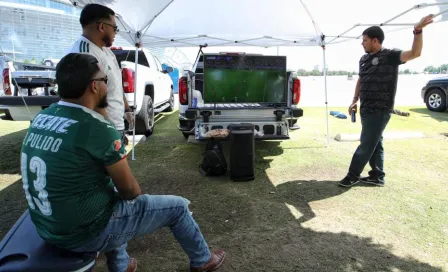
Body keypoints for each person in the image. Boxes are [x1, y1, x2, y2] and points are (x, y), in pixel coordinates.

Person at [20, 53, 226, 272]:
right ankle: (203, 260)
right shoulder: (95, 128)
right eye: (105, 81)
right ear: (94, 86)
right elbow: (131, 192)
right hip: (82, 234)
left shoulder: (44, 117)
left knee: (109, 198)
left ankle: (121, 264)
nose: (108, 88)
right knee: (176, 207)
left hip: (47, 225)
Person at [338, 14, 434, 188]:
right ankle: (377, 176)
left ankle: (352, 175)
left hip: (380, 109)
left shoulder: (391, 55)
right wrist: (354, 100)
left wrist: (417, 30)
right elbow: (362, 79)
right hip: (366, 108)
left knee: (366, 143)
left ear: (375, 41)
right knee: (376, 142)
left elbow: (415, 53)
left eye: (365, 40)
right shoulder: (363, 59)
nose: (362, 43)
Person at [67, 3, 133, 145]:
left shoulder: (106, 51)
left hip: (115, 126)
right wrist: (111, 131)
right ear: (102, 27)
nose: (116, 33)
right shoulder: (83, 54)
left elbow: (115, 83)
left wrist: (127, 109)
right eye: (114, 28)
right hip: (100, 130)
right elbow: (89, 99)